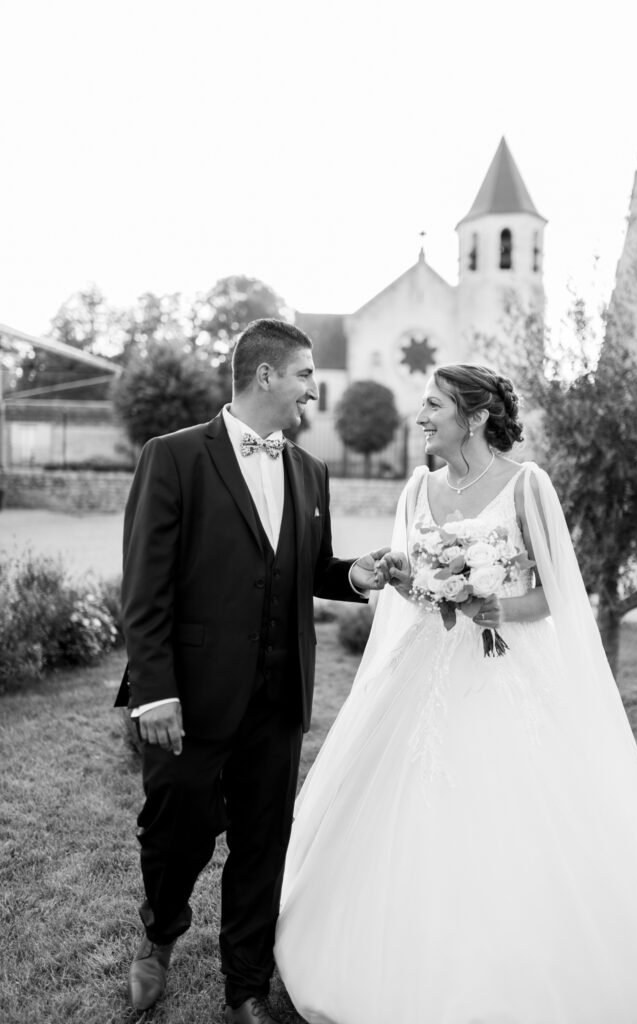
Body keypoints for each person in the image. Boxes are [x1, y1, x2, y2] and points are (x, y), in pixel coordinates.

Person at [274, 364, 637, 1023]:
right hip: (423, 668)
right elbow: (412, 588)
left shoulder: (527, 486)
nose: (422, 416)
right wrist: (403, 576)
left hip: (504, 670)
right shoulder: (417, 488)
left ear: (477, 416)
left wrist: (496, 605)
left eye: (434, 405)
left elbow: (557, 594)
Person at [115, 318, 396, 1024]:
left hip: (279, 698)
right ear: (266, 375)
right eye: (305, 375)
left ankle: (245, 986)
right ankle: (158, 939)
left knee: (262, 844)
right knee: (175, 833)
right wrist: (155, 692)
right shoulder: (174, 456)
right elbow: (145, 589)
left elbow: (308, 567)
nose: (312, 389)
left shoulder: (309, 471)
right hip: (190, 697)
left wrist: (355, 574)